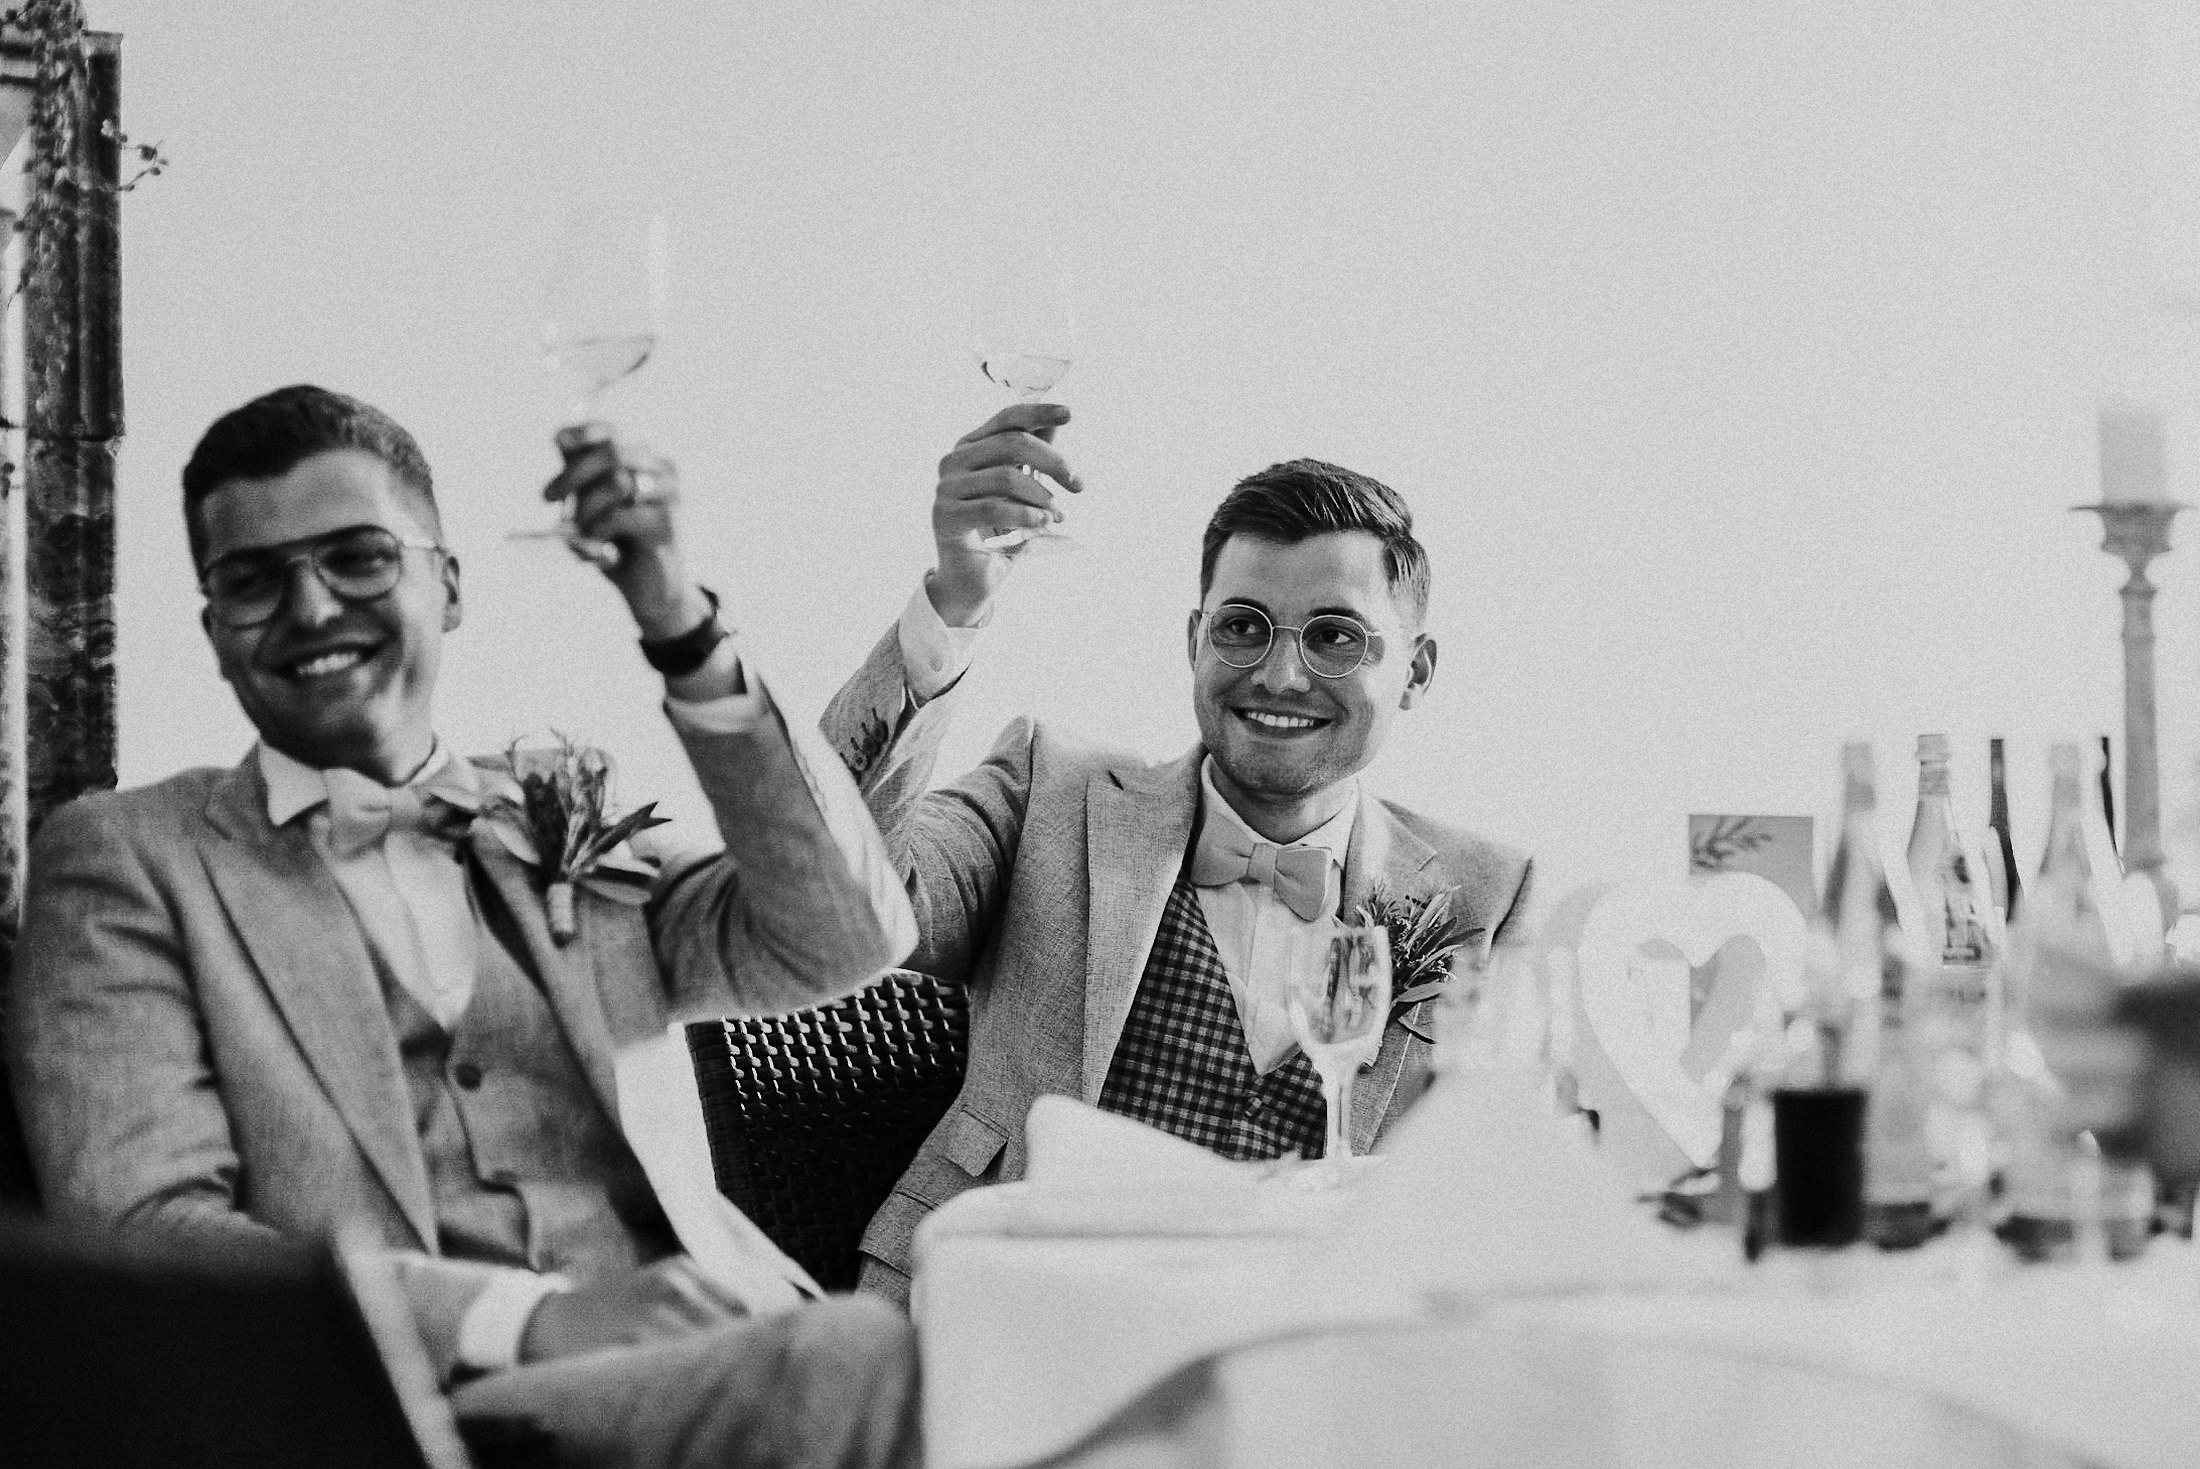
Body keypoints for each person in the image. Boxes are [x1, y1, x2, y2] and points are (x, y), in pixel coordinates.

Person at [7, 386, 923, 1469]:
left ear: (447, 585)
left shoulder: (552, 799)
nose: (308, 608)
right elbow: (147, 1226)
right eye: (252, 581)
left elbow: (845, 936)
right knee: (860, 1355)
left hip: (717, 1357)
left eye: (357, 555)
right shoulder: (127, 857)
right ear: (213, 633)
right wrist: (520, 1316)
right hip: (398, 1417)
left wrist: (679, 620)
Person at [822, 402, 1535, 1302]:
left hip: (1298, 1380)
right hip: (1002, 1322)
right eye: (1243, 625)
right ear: (1192, 638)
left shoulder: (1489, 895)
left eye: (1335, 636)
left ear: (1417, 670)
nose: (1280, 674)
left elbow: (1502, 1189)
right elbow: (842, 895)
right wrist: (953, 602)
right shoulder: (1049, 789)